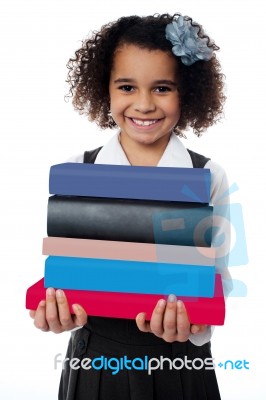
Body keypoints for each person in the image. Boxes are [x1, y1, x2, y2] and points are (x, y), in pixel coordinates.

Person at [30, 13, 232, 400]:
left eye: (161, 88)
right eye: (126, 86)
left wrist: (193, 327)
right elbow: (71, 267)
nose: (143, 104)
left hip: (179, 366)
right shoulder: (78, 169)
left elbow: (216, 278)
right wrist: (54, 314)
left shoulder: (208, 175)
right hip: (95, 365)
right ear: (105, 89)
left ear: (186, 92)